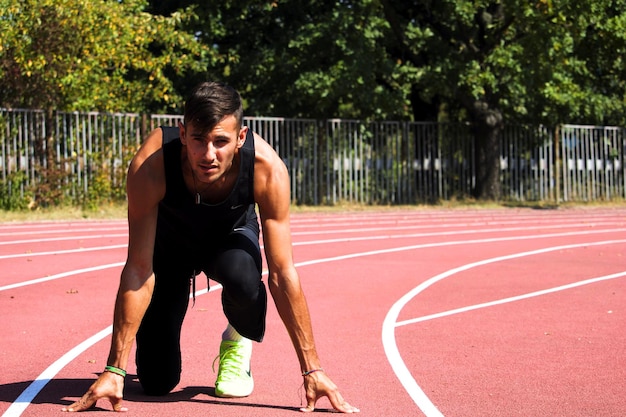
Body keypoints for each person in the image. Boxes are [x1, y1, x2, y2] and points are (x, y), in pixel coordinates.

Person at [62, 81, 359, 413]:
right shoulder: (152, 165)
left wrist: (312, 369)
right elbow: (138, 268)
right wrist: (115, 368)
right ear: (183, 133)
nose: (208, 155)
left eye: (221, 142)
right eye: (198, 140)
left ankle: (236, 338)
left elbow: (283, 273)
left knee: (244, 278)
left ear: (241, 138)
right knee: (157, 382)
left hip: (229, 237)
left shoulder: (267, 169)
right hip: (170, 246)